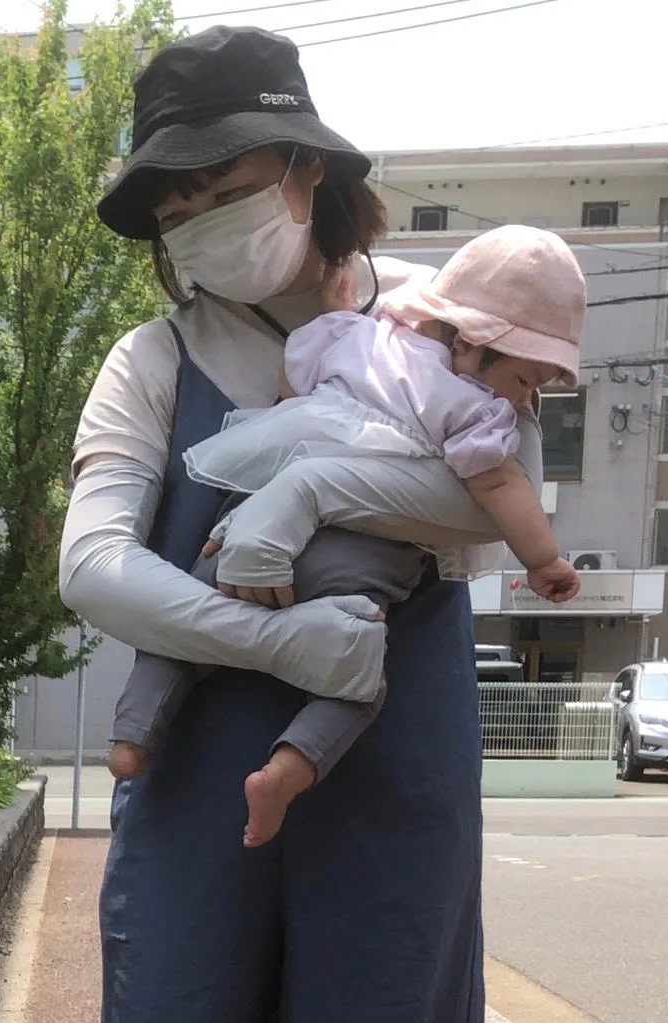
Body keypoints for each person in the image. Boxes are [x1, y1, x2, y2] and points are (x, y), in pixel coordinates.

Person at [0, 24, 520, 1023]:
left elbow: (487, 506)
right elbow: (96, 566)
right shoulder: (152, 361)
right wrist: (267, 631)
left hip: (393, 744)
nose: (192, 223)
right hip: (206, 745)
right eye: (165, 204)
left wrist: (301, 506)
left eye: (215, 185)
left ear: (304, 169)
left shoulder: (430, 324)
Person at [102, 225, 588, 848]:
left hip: (246, 519)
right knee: (359, 681)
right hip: (357, 560)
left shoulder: (361, 336)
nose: (527, 399)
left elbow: (288, 388)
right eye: (528, 380)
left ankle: (131, 735)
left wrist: (335, 323)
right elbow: (499, 490)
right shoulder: (475, 409)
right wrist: (544, 559)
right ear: (474, 342)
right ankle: (285, 772)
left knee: (180, 630)